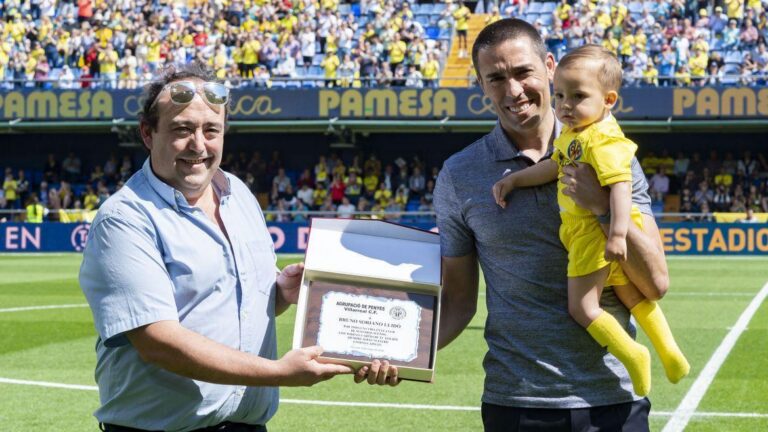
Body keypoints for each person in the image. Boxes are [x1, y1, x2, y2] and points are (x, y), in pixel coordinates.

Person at [79, 63, 394, 432]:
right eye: (182, 129)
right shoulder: (125, 218)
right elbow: (158, 342)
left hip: (247, 425)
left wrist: (281, 292)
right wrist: (278, 372)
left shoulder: (238, 194)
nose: (198, 144)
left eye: (211, 129)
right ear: (148, 134)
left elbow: (234, 304)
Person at [434, 19, 673, 431]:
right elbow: (458, 301)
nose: (513, 91)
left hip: (614, 400)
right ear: (480, 85)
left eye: (523, 72)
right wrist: (406, 354)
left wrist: (601, 206)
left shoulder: (611, 154)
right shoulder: (459, 175)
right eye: (496, 78)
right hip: (516, 402)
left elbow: (655, 283)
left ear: (549, 66)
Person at [491, 44, 689, 397]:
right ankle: (670, 352)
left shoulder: (603, 140)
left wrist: (614, 234)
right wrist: (516, 179)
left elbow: (620, 188)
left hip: (589, 233)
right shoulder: (575, 134)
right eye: (561, 95)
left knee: (583, 307)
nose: (566, 105)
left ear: (608, 100)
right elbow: (555, 166)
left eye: (578, 96)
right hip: (595, 235)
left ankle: (633, 354)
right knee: (632, 297)